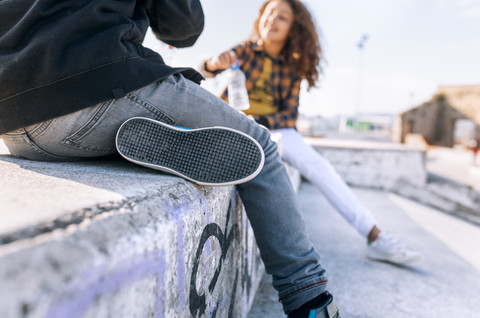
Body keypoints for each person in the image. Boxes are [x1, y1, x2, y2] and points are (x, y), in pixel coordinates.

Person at [0, 0, 340, 317]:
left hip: (16, 123)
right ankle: (310, 300)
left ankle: (152, 140)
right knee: (258, 146)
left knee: (152, 129)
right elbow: (182, 27)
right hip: (94, 85)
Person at [202, 0, 421, 264]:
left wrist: (258, 121)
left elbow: (289, 115)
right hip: (237, 125)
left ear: (293, 29)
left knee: (321, 168)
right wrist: (213, 63)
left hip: (276, 129)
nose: (272, 19)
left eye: (282, 17)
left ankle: (376, 236)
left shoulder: (293, 65)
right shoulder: (244, 51)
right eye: (269, 13)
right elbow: (207, 71)